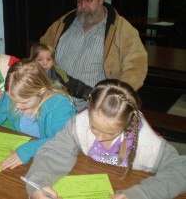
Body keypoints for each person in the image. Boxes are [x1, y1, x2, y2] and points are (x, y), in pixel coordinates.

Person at [25, 79, 186, 199]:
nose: (99, 138)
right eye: (94, 127)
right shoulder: (79, 124)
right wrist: (37, 186)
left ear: (127, 124)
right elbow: (54, 152)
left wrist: (139, 194)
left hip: (132, 183)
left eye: (110, 133)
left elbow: (180, 170)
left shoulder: (149, 145)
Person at [40, 0, 148, 112]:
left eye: (88, 0)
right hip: (53, 99)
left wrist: (116, 98)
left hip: (93, 107)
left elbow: (136, 65)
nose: (83, 6)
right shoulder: (63, 24)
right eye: (79, 2)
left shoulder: (121, 29)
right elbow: (41, 50)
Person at [0, 59, 76, 170]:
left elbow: (64, 141)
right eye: (14, 101)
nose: (17, 106)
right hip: (28, 155)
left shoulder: (60, 106)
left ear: (42, 90)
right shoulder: (15, 96)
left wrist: (27, 150)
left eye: (24, 102)